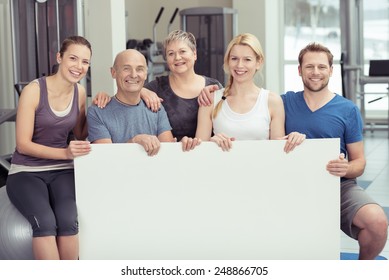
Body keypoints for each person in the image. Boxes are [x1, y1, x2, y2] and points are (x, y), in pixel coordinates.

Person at [281, 42, 388, 260]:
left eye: (321, 67)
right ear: (300, 70)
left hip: (337, 186)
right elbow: (246, 101)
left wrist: (345, 168)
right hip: (292, 186)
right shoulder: (283, 102)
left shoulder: (347, 109)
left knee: (377, 222)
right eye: (309, 67)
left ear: (330, 70)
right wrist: (210, 90)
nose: (315, 72)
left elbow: (359, 163)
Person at [6, 35, 92, 260]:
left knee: (67, 221)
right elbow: (23, 145)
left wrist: (103, 103)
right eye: (73, 58)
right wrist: (65, 153)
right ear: (59, 58)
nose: (79, 67)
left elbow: (82, 133)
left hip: (63, 171)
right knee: (44, 221)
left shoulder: (80, 93)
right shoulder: (34, 90)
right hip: (26, 171)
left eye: (85, 62)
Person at [195, 33, 305, 152]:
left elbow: (278, 153)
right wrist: (211, 142)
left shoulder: (272, 101)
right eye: (234, 59)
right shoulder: (210, 100)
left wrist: (295, 138)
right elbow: (199, 152)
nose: (239, 65)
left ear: (258, 62)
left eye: (247, 59)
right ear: (227, 61)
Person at [142, 30, 223, 151]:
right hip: (170, 157)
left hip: (206, 157)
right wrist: (142, 91)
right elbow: (127, 97)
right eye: (171, 54)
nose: (177, 58)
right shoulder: (156, 87)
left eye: (182, 51)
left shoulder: (214, 87)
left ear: (194, 54)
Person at [87, 49, 174, 156]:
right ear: (113, 72)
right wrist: (134, 141)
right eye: (126, 69)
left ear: (146, 74)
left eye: (139, 69)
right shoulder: (97, 112)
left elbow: (169, 154)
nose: (133, 75)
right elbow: (106, 159)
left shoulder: (156, 107)